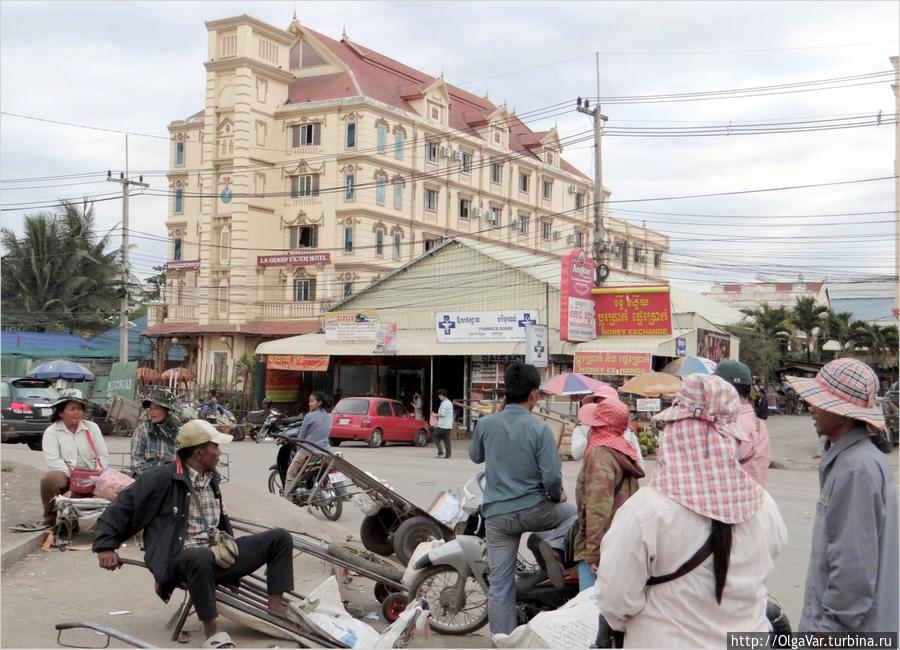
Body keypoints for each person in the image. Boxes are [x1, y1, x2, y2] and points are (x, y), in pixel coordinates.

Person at [596, 374, 787, 648]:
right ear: (732, 438)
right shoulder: (764, 505)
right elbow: (767, 565)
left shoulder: (646, 512)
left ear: (675, 432)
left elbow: (615, 602)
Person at [93, 419, 295, 649]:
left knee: (280, 537)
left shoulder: (211, 478)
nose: (219, 452)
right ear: (199, 452)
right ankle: (212, 632)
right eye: (215, 447)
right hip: (181, 559)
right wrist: (106, 546)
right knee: (200, 556)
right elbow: (123, 508)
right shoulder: (161, 478)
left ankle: (275, 609)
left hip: (216, 555)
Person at [787, 359, 898, 634]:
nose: (811, 407)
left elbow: (853, 565)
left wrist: (830, 631)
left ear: (845, 413)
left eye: (820, 401)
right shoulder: (855, 459)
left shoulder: (855, 468)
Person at [468, 362, 574, 635]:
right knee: (574, 513)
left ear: (505, 394)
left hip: (498, 517)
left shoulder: (487, 423)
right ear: (534, 394)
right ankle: (550, 543)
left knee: (501, 585)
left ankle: (501, 641)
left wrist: (495, 419)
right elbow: (551, 479)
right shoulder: (540, 429)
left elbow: (475, 456)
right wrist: (556, 495)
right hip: (536, 510)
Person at [574, 396, 644, 592]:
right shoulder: (622, 453)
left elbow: (598, 509)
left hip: (604, 546)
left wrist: (594, 554)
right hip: (621, 541)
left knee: (590, 608)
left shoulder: (600, 456)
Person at [39, 389, 110, 529]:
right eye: (72, 409)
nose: (77, 412)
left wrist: (98, 474)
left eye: (79, 409)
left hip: (92, 474)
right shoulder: (52, 432)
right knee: (49, 479)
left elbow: (103, 455)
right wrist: (75, 478)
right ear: (60, 413)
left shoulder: (92, 428)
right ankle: (50, 518)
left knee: (118, 483)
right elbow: (53, 461)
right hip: (67, 474)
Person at [714, 360, 772, 486]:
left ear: (724, 389)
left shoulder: (738, 424)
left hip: (732, 500)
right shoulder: (755, 422)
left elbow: (715, 460)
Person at [283, 391, 332, 498]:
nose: (309, 404)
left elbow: (301, 438)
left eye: (311, 401)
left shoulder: (309, 416)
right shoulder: (329, 417)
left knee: (291, 473)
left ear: (319, 403)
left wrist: (297, 449)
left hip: (308, 452)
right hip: (325, 451)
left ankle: (287, 499)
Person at [131, 388, 181, 475]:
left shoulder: (179, 432)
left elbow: (183, 462)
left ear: (168, 411)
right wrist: (155, 478)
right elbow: (136, 462)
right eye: (150, 409)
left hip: (171, 479)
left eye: (156, 408)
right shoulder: (144, 429)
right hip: (147, 479)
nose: (151, 412)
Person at [433, 389, 453, 459]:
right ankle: (448, 454)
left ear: (441, 395)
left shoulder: (444, 403)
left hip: (443, 425)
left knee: (435, 437)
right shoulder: (449, 402)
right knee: (446, 440)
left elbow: (443, 414)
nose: (439, 397)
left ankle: (440, 452)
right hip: (448, 425)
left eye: (439, 396)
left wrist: (436, 415)